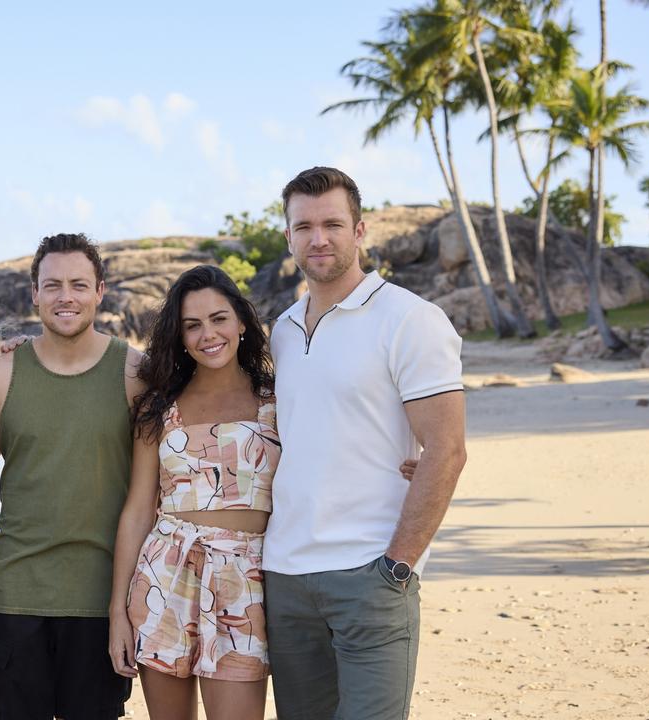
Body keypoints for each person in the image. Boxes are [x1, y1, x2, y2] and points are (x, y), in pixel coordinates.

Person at [263, 167, 468, 720]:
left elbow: (446, 451)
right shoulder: (279, 331)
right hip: (283, 576)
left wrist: (399, 565)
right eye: (304, 226)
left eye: (333, 223)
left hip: (371, 573)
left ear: (360, 230)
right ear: (289, 237)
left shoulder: (409, 320)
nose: (318, 238)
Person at [0, 233, 143, 720]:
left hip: (101, 602)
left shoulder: (136, 374)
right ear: (34, 294)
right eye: (52, 285)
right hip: (15, 596)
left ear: (100, 291)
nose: (65, 296)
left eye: (78, 285)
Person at [107, 265, 278, 720]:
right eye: (192, 325)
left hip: (246, 582)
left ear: (241, 322)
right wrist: (118, 612)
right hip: (165, 576)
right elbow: (139, 510)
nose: (208, 334)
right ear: (180, 337)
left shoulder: (277, 401)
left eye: (219, 318)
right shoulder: (159, 407)